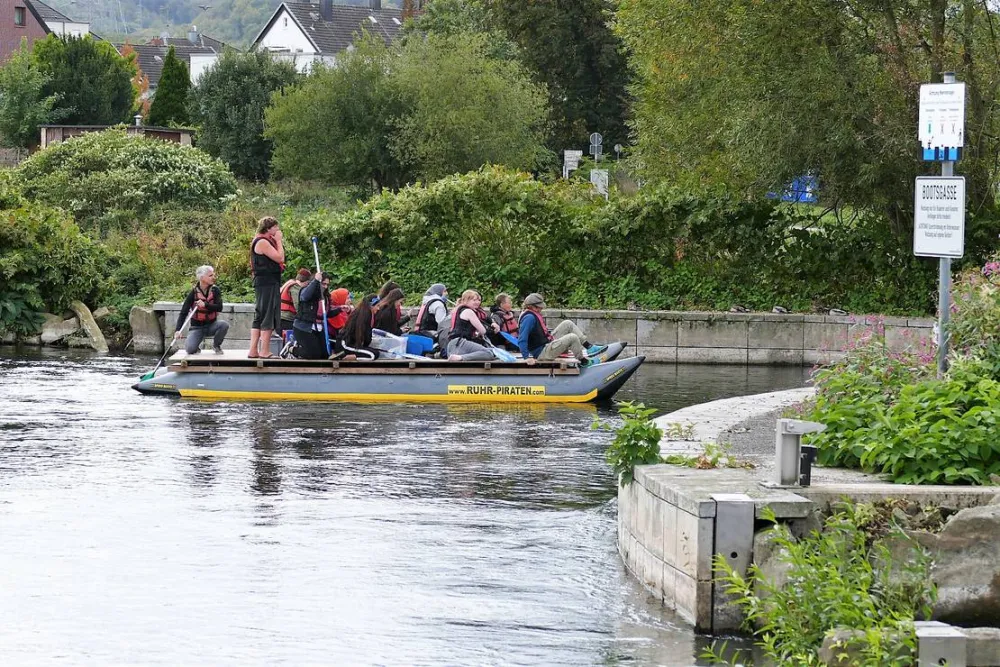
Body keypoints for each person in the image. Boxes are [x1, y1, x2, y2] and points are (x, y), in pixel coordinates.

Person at [517, 293, 603, 366]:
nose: (541, 309)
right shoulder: (529, 318)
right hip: (541, 353)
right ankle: (584, 362)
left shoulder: (532, 314)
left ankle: (589, 346)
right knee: (572, 337)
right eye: (539, 307)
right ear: (531, 306)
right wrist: (526, 358)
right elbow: (521, 339)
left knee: (567, 324)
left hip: (546, 343)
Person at [248, 216, 285, 358]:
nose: (277, 230)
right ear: (268, 229)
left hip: (263, 283)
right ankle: (264, 351)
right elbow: (279, 258)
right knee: (267, 315)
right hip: (267, 283)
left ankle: (253, 350)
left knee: (260, 315)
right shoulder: (263, 242)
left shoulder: (258, 240)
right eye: (275, 227)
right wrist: (279, 241)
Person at [175, 265, 229, 355]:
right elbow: (183, 312)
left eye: (213, 275)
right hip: (197, 327)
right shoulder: (193, 293)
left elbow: (219, 307)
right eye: (210, 275)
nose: (213, 277)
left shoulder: (215, 290)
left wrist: (205, 305)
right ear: (202, 278)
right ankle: (196, 347)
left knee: (224, 325)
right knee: (190, 350)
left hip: (211, 325)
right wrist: (178, 330)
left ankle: (216, 345)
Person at [446, 290, 500, 362]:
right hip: (460, 343)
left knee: (493, 351)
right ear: (465, 300)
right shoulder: (469, 311)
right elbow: (483, 331)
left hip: (452, 345)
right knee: (488, 353)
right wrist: (491, 330)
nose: (477, 302)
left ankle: (459, 357)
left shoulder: (458, 309)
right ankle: (460, 358)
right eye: (474, 300)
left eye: (478, 300)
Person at [291, 272, 330, 360]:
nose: (325, 287)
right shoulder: (306, 291)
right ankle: (293, 349)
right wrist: (316, 280)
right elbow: (304, 297)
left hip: (318, 328)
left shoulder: (325, 296)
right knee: (313, 354)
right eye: (323, 284)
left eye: (327, 284)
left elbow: (326, 313)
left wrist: (340, 309)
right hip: (303, 328)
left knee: (325, 355)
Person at [340, 294, 380, 360]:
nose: (378, 308)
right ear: (371, 306)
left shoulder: (363, 312)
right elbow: (367, 339)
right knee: (373, 354)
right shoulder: (365, 315)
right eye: (377, 306)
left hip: (352, 344)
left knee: (375, 351)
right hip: (346, 345)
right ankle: (350, 356)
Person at [413, 283, 450, 350]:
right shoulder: (438, 304)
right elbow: (442, 324)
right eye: (444, 291)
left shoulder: (427, 301)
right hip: (430, 333)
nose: (446, 293)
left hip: (421, 331)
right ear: (439, 292)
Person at [279, 268, 312, 333]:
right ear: (306, 282)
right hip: (287, 318)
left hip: (279, 316)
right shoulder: (296, 287)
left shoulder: (289, 282)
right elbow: (298, 304)